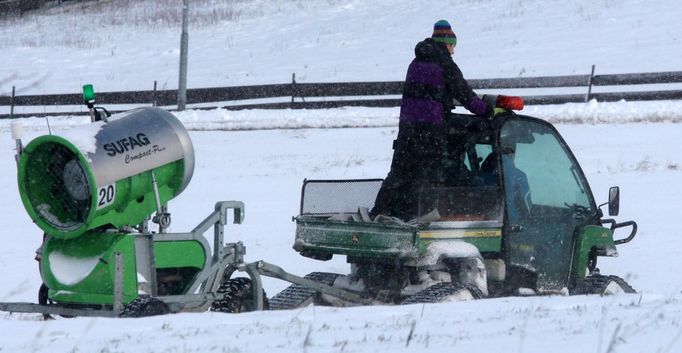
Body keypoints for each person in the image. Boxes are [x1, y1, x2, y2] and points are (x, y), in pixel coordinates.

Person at [370, 20, 495, 220]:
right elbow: (465, 95)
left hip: (407, 129)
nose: (453, 51)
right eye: (453, 46)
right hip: (430, 131)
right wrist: (486, 110)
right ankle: (409, 217)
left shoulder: (416, 62)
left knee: (400, 172)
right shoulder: (444, 63)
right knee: (426, 175)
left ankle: (380, 211)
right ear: (447, 43)